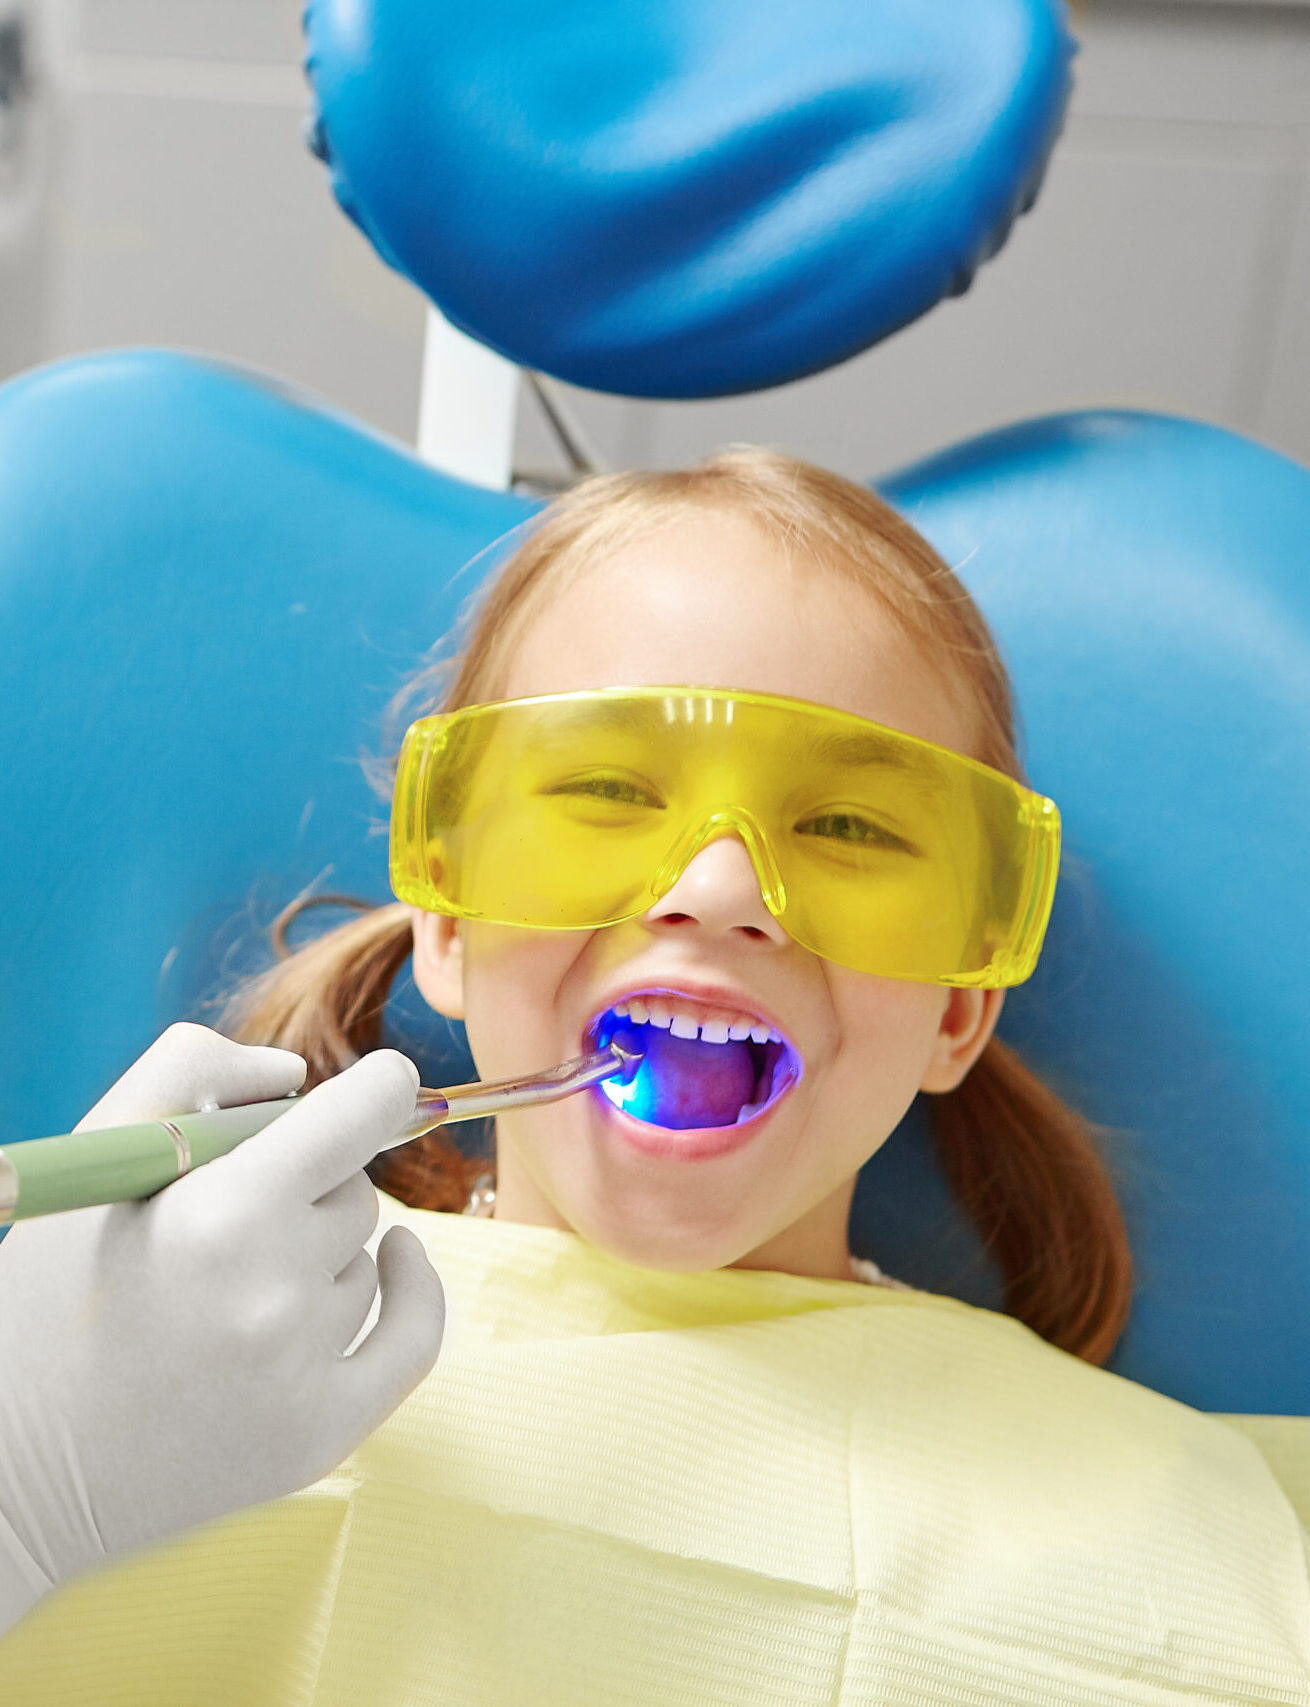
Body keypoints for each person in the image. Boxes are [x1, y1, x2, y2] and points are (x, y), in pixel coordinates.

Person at [1, 450, 1306, 1703]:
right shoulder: (141, 1361)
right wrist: (24, 1490)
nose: (719, 891)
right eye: (610, 793)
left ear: (962, 1001)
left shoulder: (1208, 1521)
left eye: (847, 827)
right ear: (447, 921)